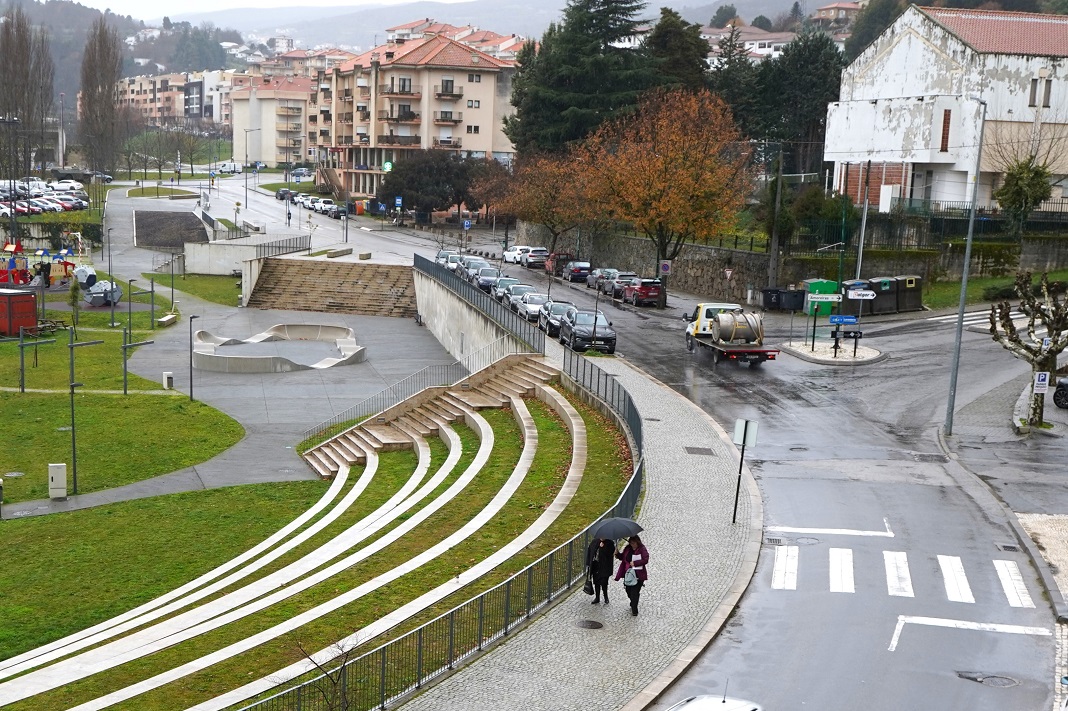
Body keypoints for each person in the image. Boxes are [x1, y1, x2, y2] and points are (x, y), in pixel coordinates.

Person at [615, 534, 649, 616]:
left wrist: (636, 563)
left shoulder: (642, 549)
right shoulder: (628, 549)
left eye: (634, 543)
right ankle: (633, 601)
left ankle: (634, 609)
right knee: (628, 590)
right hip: (628, 574)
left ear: (637, 542)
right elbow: (623, 557)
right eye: (631, 543)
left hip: (638, 575)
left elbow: (645, 559)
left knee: (634, 592)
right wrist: (617, 554)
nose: (632, 545)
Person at [586, 537, 615, 604]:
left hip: (605, 566)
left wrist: (603, 548)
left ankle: (606, 597)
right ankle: (597, 597)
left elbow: (610, 554)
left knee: (604, 582)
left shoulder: (610, 543)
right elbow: (590, 552)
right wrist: (589, 563)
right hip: (596, 565)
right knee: (596, 582)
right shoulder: (595, 542)